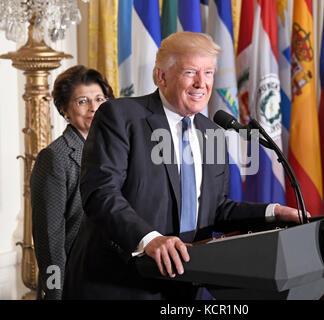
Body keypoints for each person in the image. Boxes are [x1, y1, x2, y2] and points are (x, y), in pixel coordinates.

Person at [63, 32, 308, 300]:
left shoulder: (211, 132)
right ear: (161, 76)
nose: (201, 83)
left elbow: (217, 209)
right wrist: (148, 239)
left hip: (183, 283)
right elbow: (101, 193)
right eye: (190, 72)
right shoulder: (120, 116)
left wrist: (273, 213)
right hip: (119, 284)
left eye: (209, 73)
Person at [30, 65, 114, 300]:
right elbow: (49, 237)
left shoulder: (116, 149)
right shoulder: (54, 157)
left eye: (99, 99)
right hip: (75, 281)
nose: (94, 107)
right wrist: (56, 293)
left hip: (114, 278)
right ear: (64, 109)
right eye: (82, 101)